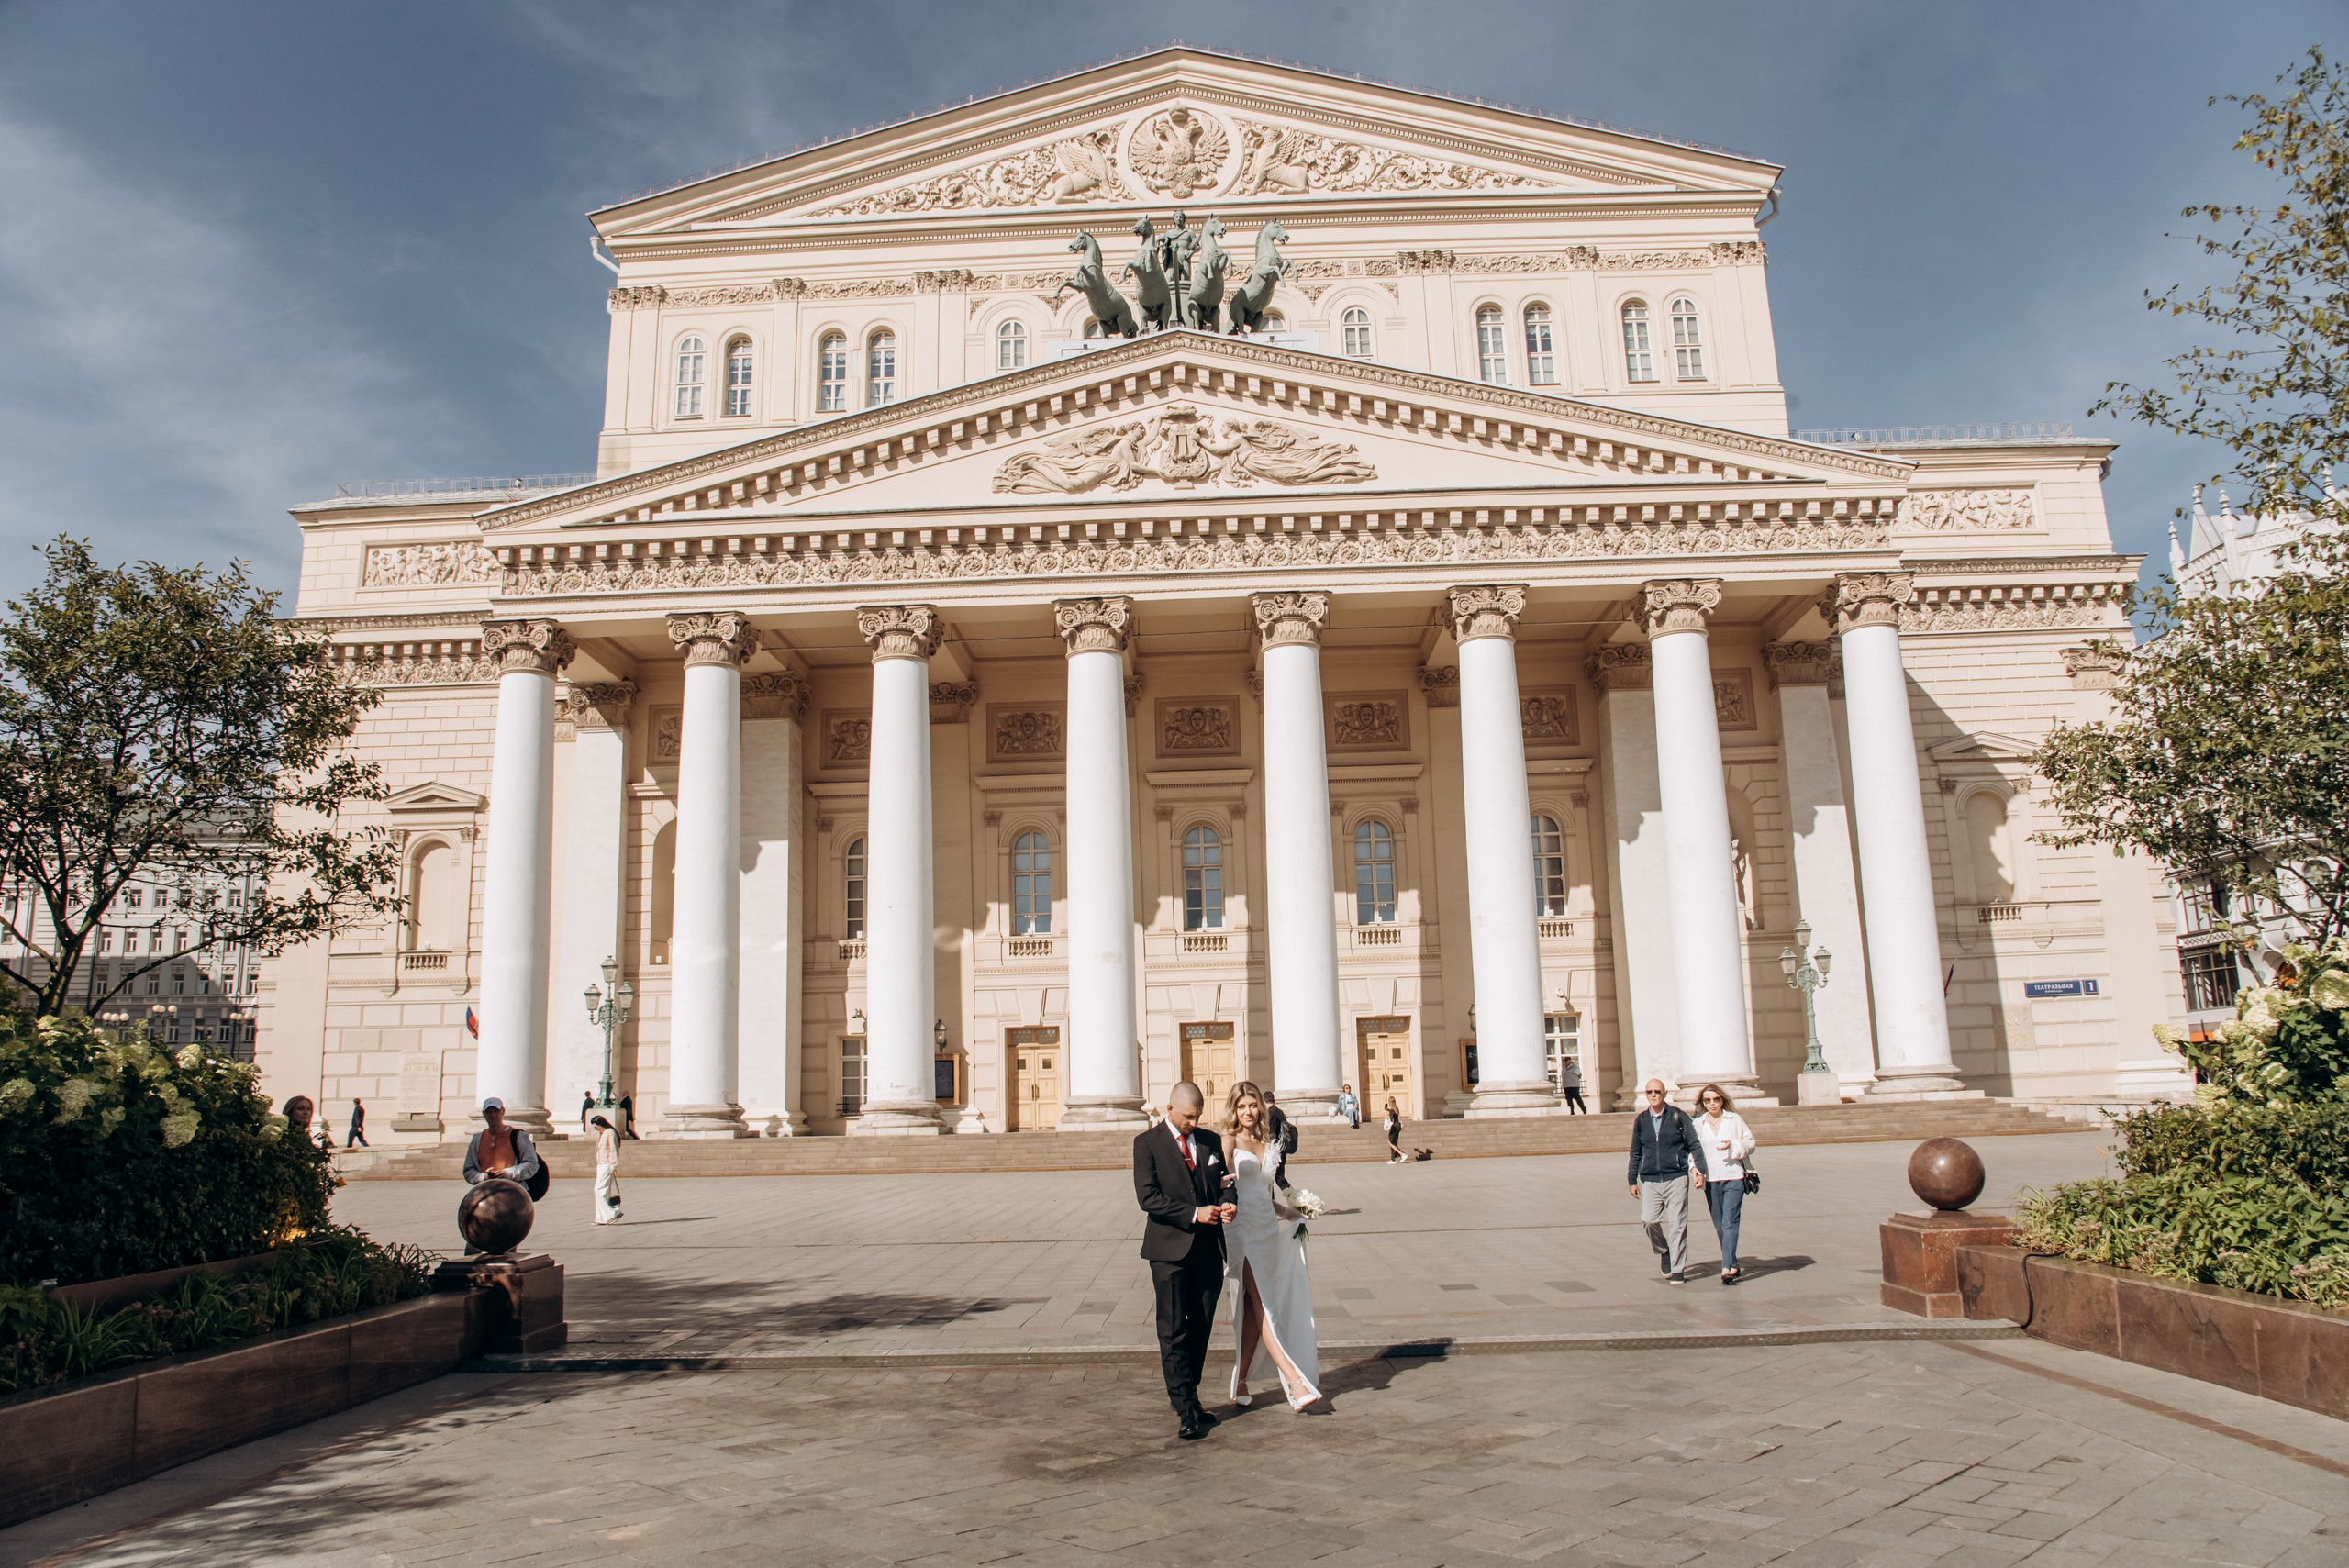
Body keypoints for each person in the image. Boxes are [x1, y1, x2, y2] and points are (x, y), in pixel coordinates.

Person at [1133, 1081, 1233, 1440]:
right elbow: (1148, 1198)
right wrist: (1194, 1213)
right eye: (1188, 1116)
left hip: (1207, 1250)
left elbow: (1224, 1182)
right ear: (1170, 1109)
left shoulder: (1209, 1142)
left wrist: (1229, 1201)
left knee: (1202, 1326)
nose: (1193, 1122)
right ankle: (1185, 1408)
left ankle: (1190, 1392)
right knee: (1173, 1330)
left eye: (1198, 1116)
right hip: (1168, 1252)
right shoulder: (1146, 1144)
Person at [1218, 1081, 1322, 1410]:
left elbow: (1264, 1192)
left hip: (1266, 1227)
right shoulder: (1228, 1140)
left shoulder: (1265, 1139)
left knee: (1252, 1308)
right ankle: (1294, 1380)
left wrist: (1289, 1211)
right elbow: (1222, 1186)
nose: (1248, 1112)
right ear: (1233, 1110)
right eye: (1241, 1106)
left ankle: (1242, 1377)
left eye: (1252, 1106)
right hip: (1242, 1230)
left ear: (1260, 1108)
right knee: (1265, 1303)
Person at [1628, 1080, 1706, 1283]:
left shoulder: (1678, 1117)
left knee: (1678, 1224)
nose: (1654, 1095)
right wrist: (1632, 1179)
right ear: (1646, 1094)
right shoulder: (1641, 1120)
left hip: (1677, 1177)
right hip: (1650, 1180)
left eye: (1657, 1091)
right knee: (1649, 1220)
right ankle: (1664, 1250)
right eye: (1649, 1092)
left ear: (1664, 1093)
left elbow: (1694, 1145)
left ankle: (1678, 1269)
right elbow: (1635, 1152)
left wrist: (1701, 1171)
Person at [1694, 1084, 1756, 1284]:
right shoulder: (1698, 1123)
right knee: (1719, 1224)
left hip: (1734, 1176)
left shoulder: (1733, 1119)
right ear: (1702, 1103)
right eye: (1707, 1100)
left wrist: (1734, 1145)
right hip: (1711, 1179)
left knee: (1730, 1222)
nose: (1712, 1103)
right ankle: (1733, 1262)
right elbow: (1693, 1151)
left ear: (1722, 1100)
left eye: (1716, 1099)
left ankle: (1726, 1267)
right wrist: (1694, 1170)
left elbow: (1750, 1143)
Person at [462, 1097, 542, 1188]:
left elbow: (532, 1164)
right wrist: (484, 1177)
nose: (493, 1115)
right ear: (483, 1114)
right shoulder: (477, 1139)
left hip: (512, 1190)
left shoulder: (519, 1136)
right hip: (486, 1191)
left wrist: (507, 1173)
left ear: (503, 1112)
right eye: (489, 1112)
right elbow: (468, 1170)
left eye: (496, 1111)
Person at [590, 1113, 624, 1225]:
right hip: (601, 1164)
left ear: (600, 1124)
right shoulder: (603, 1133)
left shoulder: (610, 1132)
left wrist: (613, 1165)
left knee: (599, 1190)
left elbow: (614, 1150)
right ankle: (601, 1217)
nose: (596, 1129)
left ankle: (612, 1213)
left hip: (607, 1165)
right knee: (602, 1191)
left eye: (596, 1126)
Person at [1382, 1097, 1404, 1162]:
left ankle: (1400, 1154)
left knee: (1390, 1142)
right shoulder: (1396, 1108)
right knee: (1394, 1142)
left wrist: (1388, 1117)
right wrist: (1388, 1110)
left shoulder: (1392, 1110)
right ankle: (1395, 1155)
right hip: (1398, 1126)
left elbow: (1391, 1120)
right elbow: (1395, 1114)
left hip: (1394, 1126)